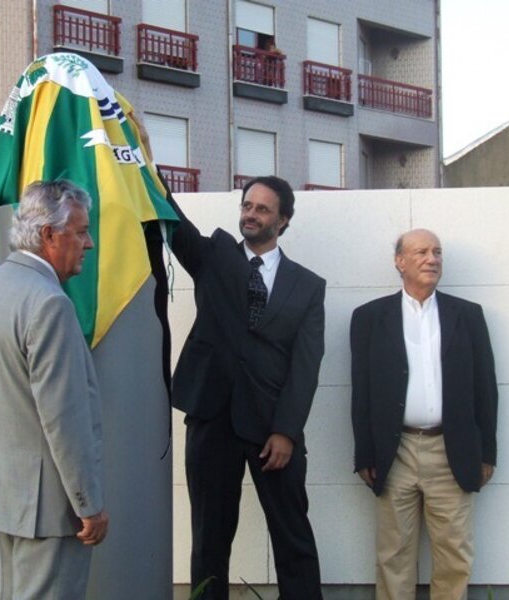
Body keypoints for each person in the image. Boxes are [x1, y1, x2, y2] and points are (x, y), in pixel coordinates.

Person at [166, 175, 325, 600]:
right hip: (212, 418)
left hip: (273, 425)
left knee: (293, 536)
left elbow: (306, 366)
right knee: (210, 538)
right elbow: (174, 221)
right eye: (247, 206)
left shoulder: (308, 286)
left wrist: (286, 431)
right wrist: (143, 163)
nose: (251, 214)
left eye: (262, 209)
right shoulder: (213, 257)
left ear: (283, 220)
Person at [0, 180, 109, 600]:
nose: (89, 243)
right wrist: (88, 504)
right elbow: (64, 419)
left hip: (4, 500)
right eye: (81, 232)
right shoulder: (50, 303)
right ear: (49, 235)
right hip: (49, 512)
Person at [350, 228, 498, 600]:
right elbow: (361, 391)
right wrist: (365, 454)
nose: (432, 259)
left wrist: (487, 452)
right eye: (421, 252)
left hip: (451, 450)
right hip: (395, 450)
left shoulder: (467, 315)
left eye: (437, 252)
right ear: (399, 261)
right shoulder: (369, 318)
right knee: (393, 555)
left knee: (454, 555)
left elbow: (485, 388)